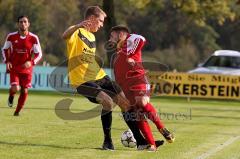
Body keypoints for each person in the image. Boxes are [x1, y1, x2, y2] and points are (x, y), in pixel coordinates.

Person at [62, 6, 153, 151]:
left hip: (99, 75)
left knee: (125, 102)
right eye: (100, 21)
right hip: (82, 81)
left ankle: (141, 142)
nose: (102, 24)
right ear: (91, 19)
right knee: (107, 102)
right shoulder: (77, 30)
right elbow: (65, 36)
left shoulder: (91, 36)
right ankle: (107, 142)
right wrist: (78, 25)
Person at [109, 25, 175, 150]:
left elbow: (141, 38)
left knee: (142, 102)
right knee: (137, 114)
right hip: (126, 86)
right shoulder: (119, 50)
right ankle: (152, 145)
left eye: (112, 36)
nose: (110, 39)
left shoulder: (131, 39)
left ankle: (162, 128)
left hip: (138, 80)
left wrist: (131, 55)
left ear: (121, 34)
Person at [1, 15, 42, 116]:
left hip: (27, 68)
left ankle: (17, 112)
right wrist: (7, 61)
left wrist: (31, 62)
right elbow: (4, 49)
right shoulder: (11, 36)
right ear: (18, 24)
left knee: (24, 90)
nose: (23, 23)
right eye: (20, 22)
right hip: (14, 67)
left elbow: (39, 53)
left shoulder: (33, 38)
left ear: (28, 24)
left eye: (25, 22)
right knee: (15, 88)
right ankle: (11, 95)